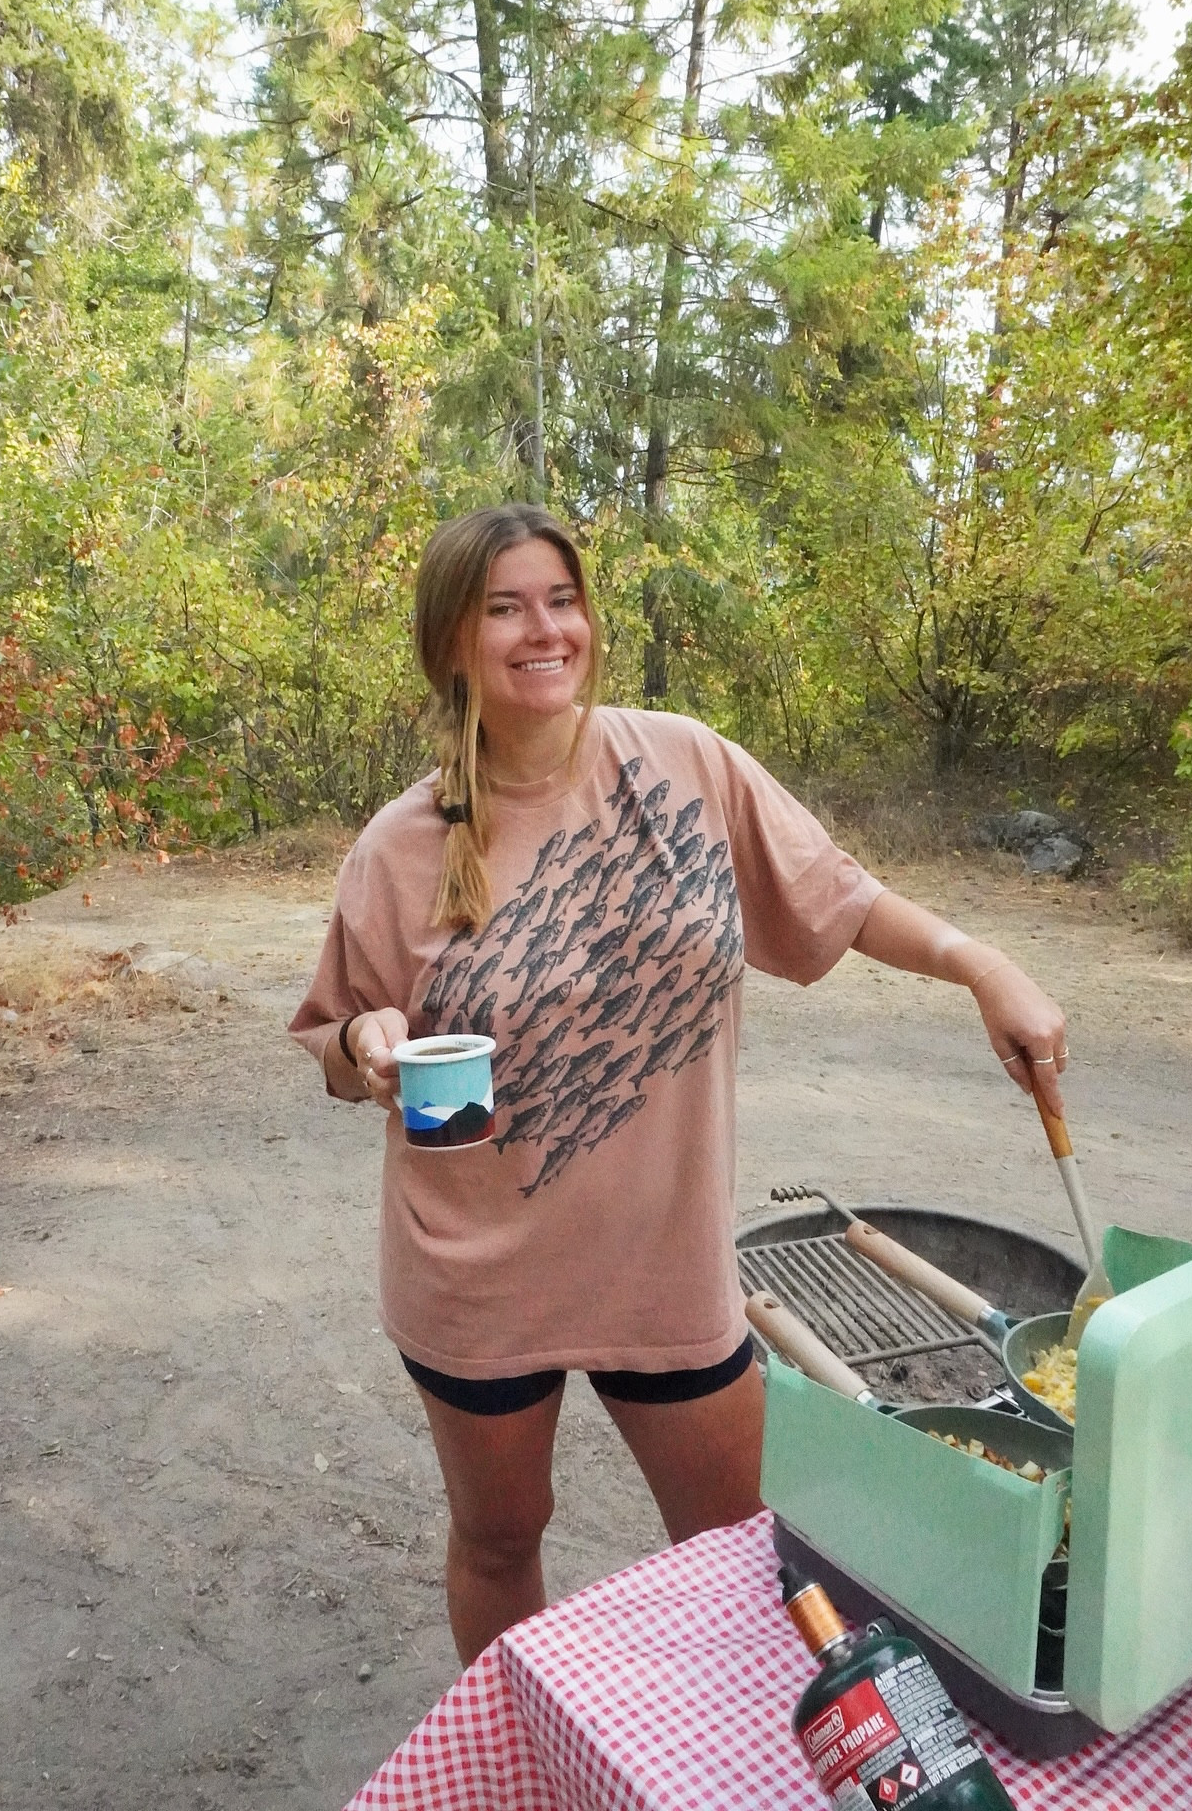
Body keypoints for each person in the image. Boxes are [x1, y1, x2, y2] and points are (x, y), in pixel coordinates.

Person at [290, 502, 1067, 1667]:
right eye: (503, 608)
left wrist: (978, 964)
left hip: (666, 1264)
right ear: (453, 642)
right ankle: (521, 1773)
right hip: (476, 1279)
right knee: (503, 1541)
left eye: (561, 599)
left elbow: (839, 896)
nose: (542, 630)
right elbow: (335, 1033)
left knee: (755, 1549)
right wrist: (368, 1045)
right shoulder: (399, 845)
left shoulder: (685, 765)